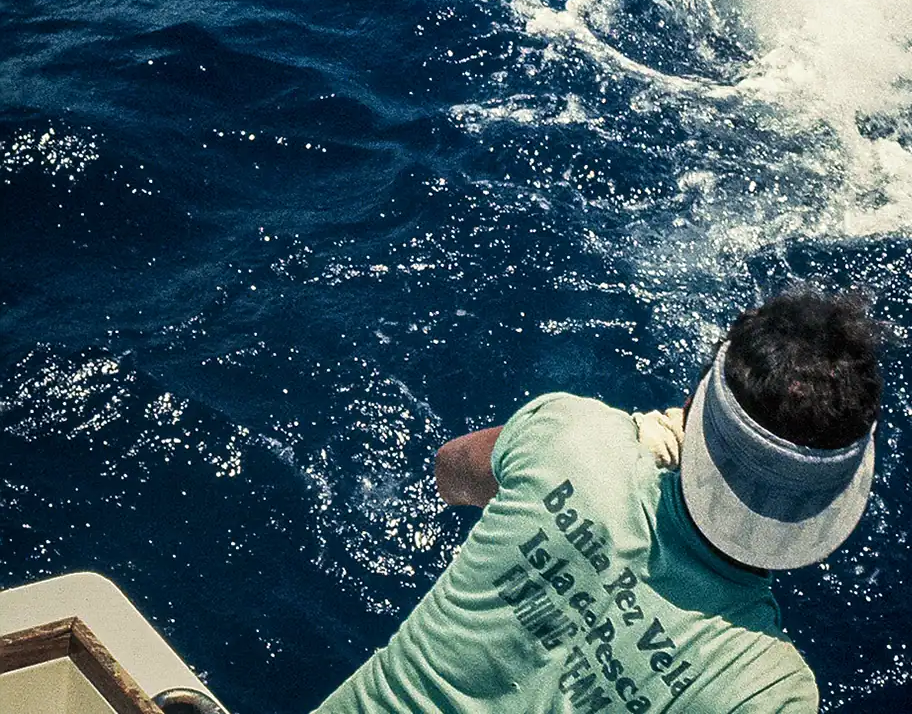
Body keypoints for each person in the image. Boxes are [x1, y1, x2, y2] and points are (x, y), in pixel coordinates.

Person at [313, 287, 883, 714]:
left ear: (694, 405)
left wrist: (615, 454)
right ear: (830, 503)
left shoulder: (569, 434)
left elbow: (449, 471)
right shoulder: (765, 690)